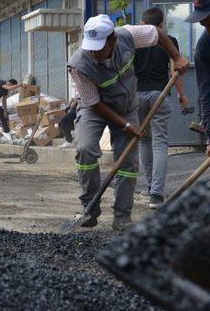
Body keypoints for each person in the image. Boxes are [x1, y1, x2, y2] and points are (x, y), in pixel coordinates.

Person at [67, 14, 188, 231]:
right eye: (90, 47)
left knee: (129, 161)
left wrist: (176, 57)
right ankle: (89, 209)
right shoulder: (78, 63)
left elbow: (157, 33)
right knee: (85, 150)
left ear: (112, 40)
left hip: (126, 104)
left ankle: (122, 215)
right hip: (95, 108)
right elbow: (94, 103)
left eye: (99, 47)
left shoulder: (127, 35)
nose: (93, 52)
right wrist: (124, 125)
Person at [133, 7, 189, 209]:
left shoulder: (135, 41)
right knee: (159, 143)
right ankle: (156, 194)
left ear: (142, 23)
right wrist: (182, 96)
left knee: (144, 141)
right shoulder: (170, 41)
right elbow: (175, 71)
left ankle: (150, 187)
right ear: (161, 25)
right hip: (160, 94)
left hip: (137, 96)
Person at [186, 0, 210, 157]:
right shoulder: (204, 49)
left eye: (209, 20)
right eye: (202, 23)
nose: (206, 27)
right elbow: (206, 93)